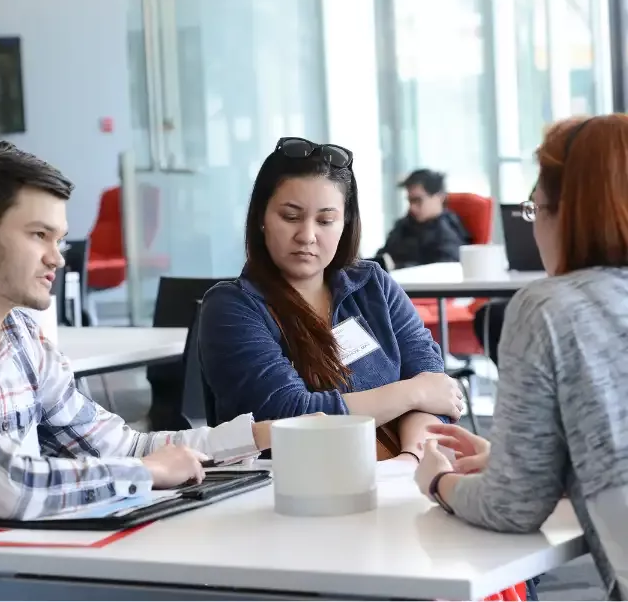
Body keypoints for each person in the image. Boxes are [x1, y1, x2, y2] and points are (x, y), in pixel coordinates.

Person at [0, 139, 284, 601]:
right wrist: (144, 473)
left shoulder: (22, 338)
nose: (58, 257)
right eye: (38, 235)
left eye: (59, 238)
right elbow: (9, 486)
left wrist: (262, 437)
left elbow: (125, 445)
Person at [414, 114, 628, 599]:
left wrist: (439, 482)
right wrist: (522, 462)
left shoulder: (550, 307)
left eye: (536, 209)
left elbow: (511, 507)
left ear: (567, 213)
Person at [199, 136, 464, 461]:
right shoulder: (232, 308)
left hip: (400, 477)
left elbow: (434, 384)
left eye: (325, 220)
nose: (307, 236)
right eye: (291, 217)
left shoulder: (372, 285)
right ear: (261, 218)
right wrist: (411, 392)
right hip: (292, 494)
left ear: (345, 224)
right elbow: (293, 416)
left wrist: (408, 462)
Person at [371, 168, 471, 271]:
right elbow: (383, 256)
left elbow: (444, 268)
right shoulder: (404, 224)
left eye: (418, 201)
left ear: (439, 197)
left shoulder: (448, 230)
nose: (412, 207)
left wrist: (397, 267)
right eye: (410, 201)